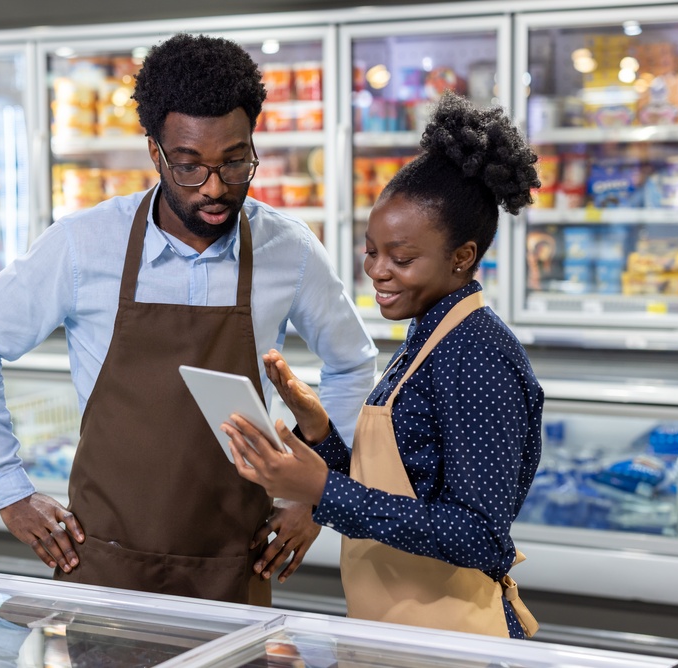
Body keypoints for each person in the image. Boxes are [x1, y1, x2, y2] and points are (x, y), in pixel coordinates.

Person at [0, 32, 377, 606]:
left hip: (234, 564)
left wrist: (318, 496)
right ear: (155, 151)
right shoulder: (83, 244)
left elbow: (353, 364)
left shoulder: (287, 250)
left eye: (236, 162)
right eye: (190, 166)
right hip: (103, 562)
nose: (216, 189)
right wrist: (9, 489)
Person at [222, 92, 543, 638]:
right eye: (372, 251)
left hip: (457, 642)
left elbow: (480, 535)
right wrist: (320, 430)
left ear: (461, 257)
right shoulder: (428, 334)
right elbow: (406, 486)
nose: (378, 271)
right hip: (400, 633)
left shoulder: (480, 356)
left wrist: (322, 491)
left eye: (403, 258)